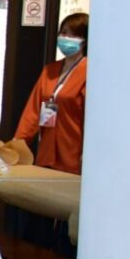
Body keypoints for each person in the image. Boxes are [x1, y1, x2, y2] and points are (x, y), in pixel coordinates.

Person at [12, 11, 90, 172]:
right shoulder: (50, 70)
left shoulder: (89, 71)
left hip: (74, 153)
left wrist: (89, 152)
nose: (66, 38)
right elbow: (32, 113)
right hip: (47, 151)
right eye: (63, 32)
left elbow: (91, 119)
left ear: (85, 40)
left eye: (73, 34)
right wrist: (17, 145)